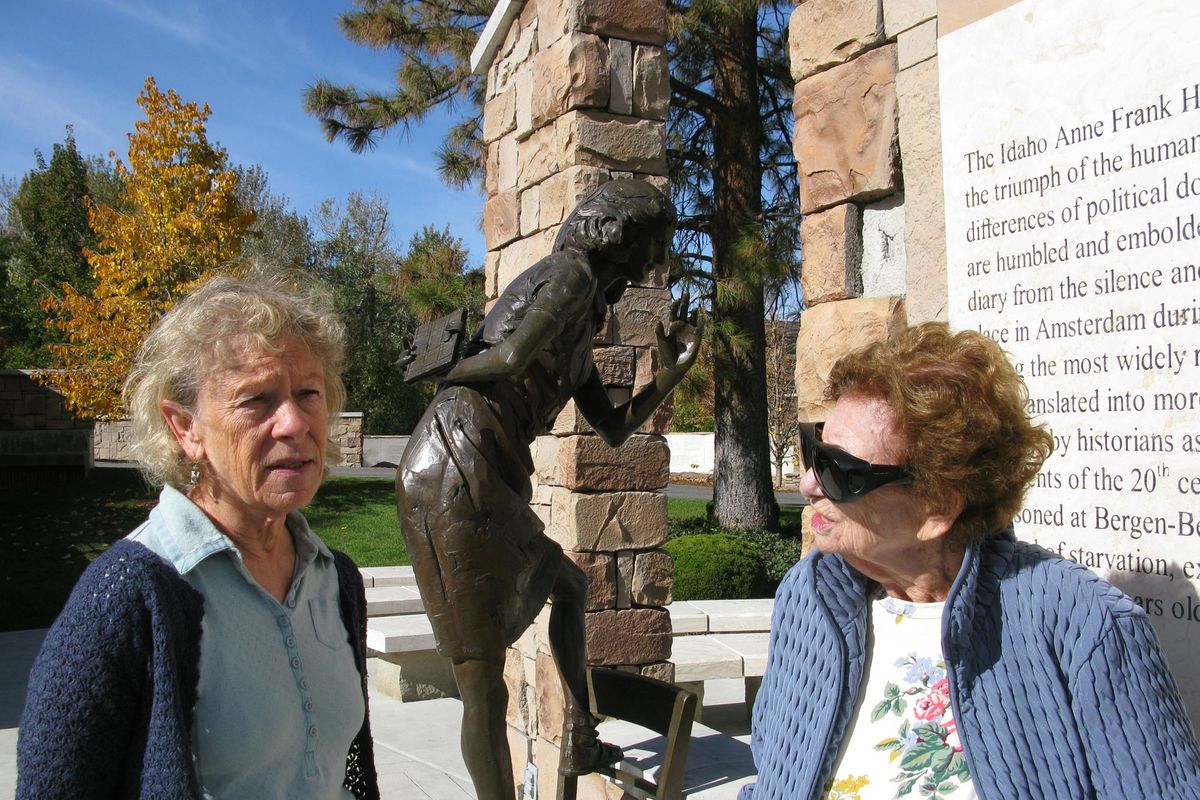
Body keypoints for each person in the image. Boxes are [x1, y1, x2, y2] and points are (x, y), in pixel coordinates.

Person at [742, 322, 1200, 800]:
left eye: (841, 471)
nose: (809, 486)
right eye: (815, 451)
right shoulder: (810, 594)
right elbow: (774, 777)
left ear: (937, 507)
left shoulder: (1083, 624)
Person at [17, 274, 380, 800]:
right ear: (186, 427)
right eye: (257, 399)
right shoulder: (127, 595)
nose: (294, 422)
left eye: (308, 393)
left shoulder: (337, 580)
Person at [397, 178, 698, 799]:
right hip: (458, 459)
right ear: (620, 234)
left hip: (481, 463)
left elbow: (613, 427)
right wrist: (438, 368)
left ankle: (581, 730)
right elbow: (507, 361)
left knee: (570, 585)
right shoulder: (570, 276)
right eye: (651, 247)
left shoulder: (580, 319)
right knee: (481, 677)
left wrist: (667, 375)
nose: (652, 265)